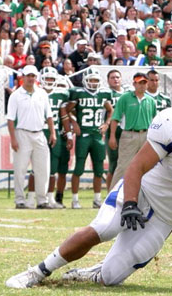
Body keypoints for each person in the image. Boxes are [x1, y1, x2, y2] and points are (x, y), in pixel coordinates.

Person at [5, 94, 172, 288]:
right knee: (104, 228)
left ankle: (91, 272)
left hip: (166, 218)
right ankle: (38, 271)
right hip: (140, 191)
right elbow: (137, 166)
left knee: (112, 277)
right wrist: (129, 203)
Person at [61, 67, 113, 209]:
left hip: (97, 135)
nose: (93, 83)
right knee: (78, 168)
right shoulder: (79, 94)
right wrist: (74, 122)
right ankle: (75, 199)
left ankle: (97, 199)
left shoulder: (103, 94)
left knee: (99, 169)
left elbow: (111, 110)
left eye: (96, 80)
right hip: (83, 135)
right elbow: (67, 109)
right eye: (91, 80)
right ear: (85, 81)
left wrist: (106, 124)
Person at [7, 65, 56, 209]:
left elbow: (49, 116)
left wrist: (52, 133)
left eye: (33, 76)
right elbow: (10, 119)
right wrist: (13, 139)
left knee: (43, 169)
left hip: (40, 133)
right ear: (23, 76)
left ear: (36, 77)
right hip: (22, 133)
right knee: (20, 168)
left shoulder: (42, 94)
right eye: (28, 75)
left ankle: (42, 200)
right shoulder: (16, 95)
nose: (31, 78)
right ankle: (20, 200)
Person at [109, 73, 157, 189]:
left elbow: (154, 120)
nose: (142, 85)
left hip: (146, 135)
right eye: (139, 83)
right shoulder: (125, 98)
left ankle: (141, 195)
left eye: (144, 83)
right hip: (129, 135)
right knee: (123, 166)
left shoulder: (151, 101)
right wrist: (112, 137)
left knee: (146, 167)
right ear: (134, 84)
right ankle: (112, 197)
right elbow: (115, 118)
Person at [39, 67, 71, 208]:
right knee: (37, 168)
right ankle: (32, 196)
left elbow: (64, 115)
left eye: (52, 79)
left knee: (54, 168)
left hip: (55, 132)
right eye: (47, 78)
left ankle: (52, 197)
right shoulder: (37, 93)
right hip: (39, 131)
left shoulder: (61, 95)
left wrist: (69, 133)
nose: (50, 81)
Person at [104, 70, 125, 191]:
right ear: (108, 80)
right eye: (112, 77)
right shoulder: (106, 93)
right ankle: (109, 193)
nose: (115, 79)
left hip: (127, 132)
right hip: (113, 132)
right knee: (113, 164)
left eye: (117, 77)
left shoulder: (128, 93)